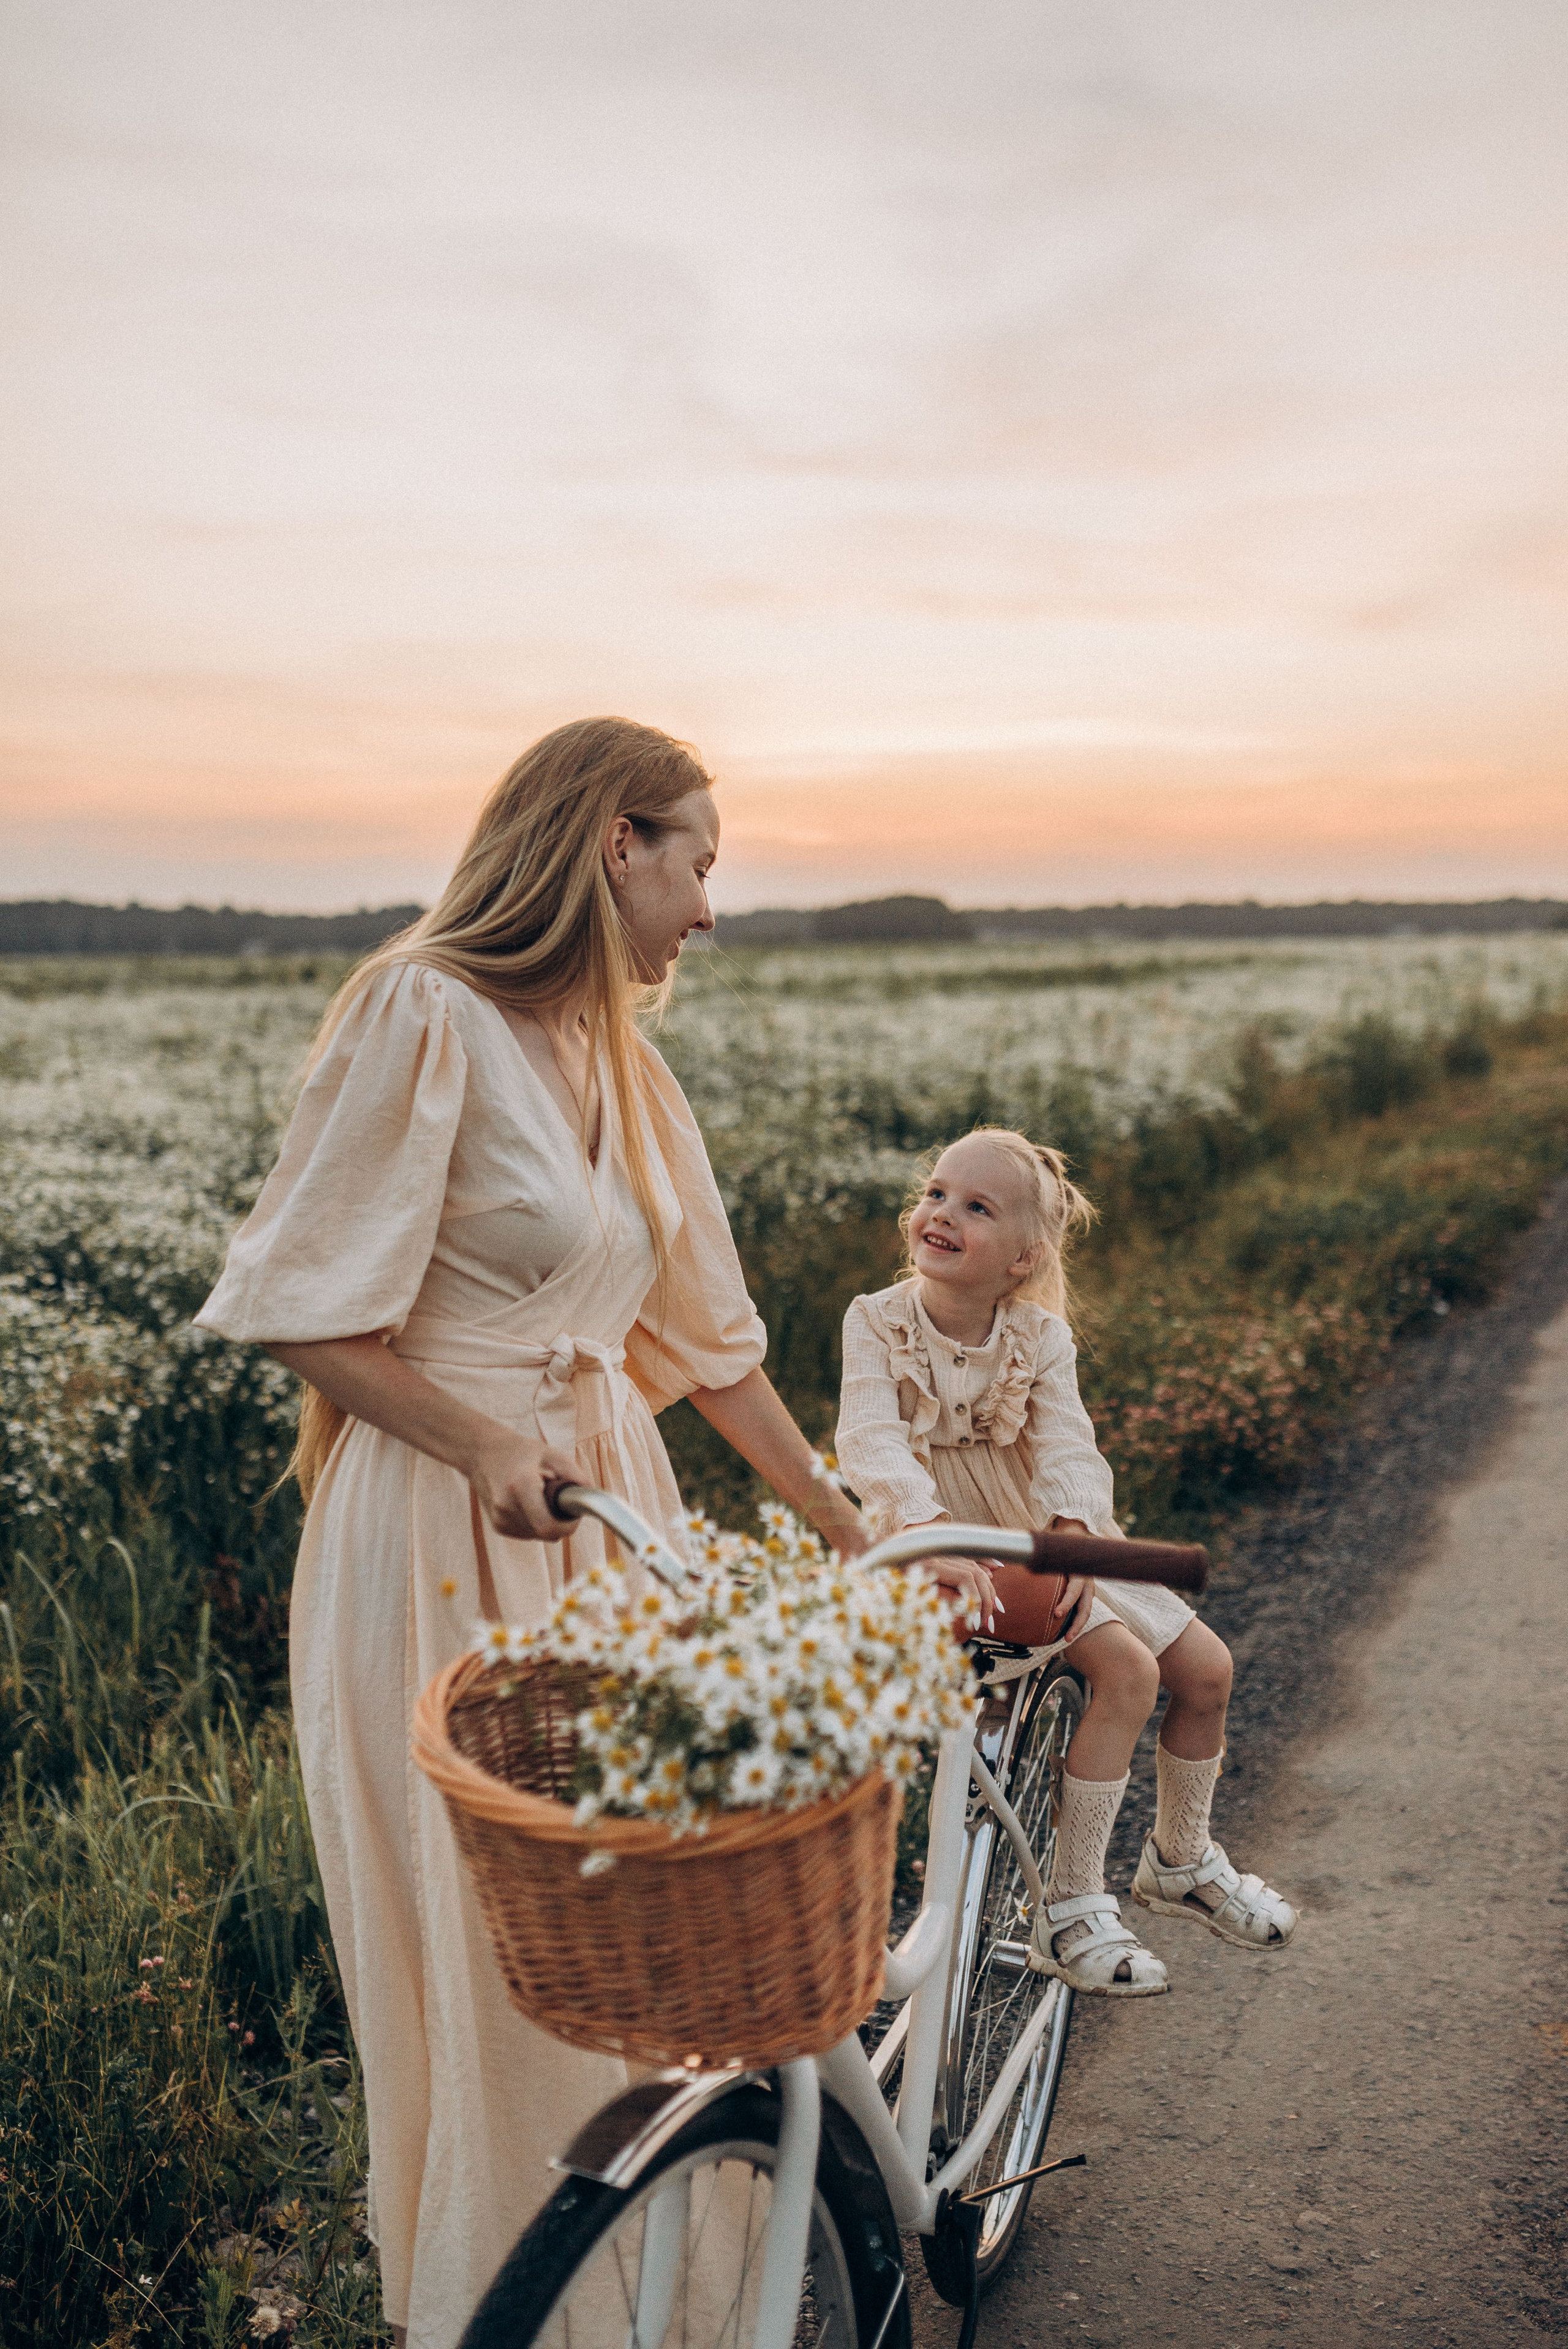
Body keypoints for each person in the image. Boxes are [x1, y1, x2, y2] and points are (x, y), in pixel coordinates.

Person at [194, 718, 868, 2349]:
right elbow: (290, 1305)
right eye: (700, 859)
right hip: (438, 1533)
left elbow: (711, 1350)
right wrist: (481, 1432)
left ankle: (681, 2308)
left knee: (644, 1947)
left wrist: (845, 1529)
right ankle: (517, 2314)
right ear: (613, 842)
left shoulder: (624, 1064)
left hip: (605, 1529)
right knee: (496, 1968)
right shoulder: (425, 1009)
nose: (712, 905)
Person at [835, 1125, 1298, 1998]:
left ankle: (1180, 1856)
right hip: (940, 1542)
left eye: (977, 1207)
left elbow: (1069, 1447)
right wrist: (930, 1523)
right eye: (937, 1193)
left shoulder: (1039, 1337)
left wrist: (1072, 1523)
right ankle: (1072, 1902)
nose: (942, 1214)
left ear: (1021, 1258)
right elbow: (867, 1439)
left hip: (1040, 1533)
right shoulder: (876, 1319)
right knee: (1124, 1670)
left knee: (1207, 1671)